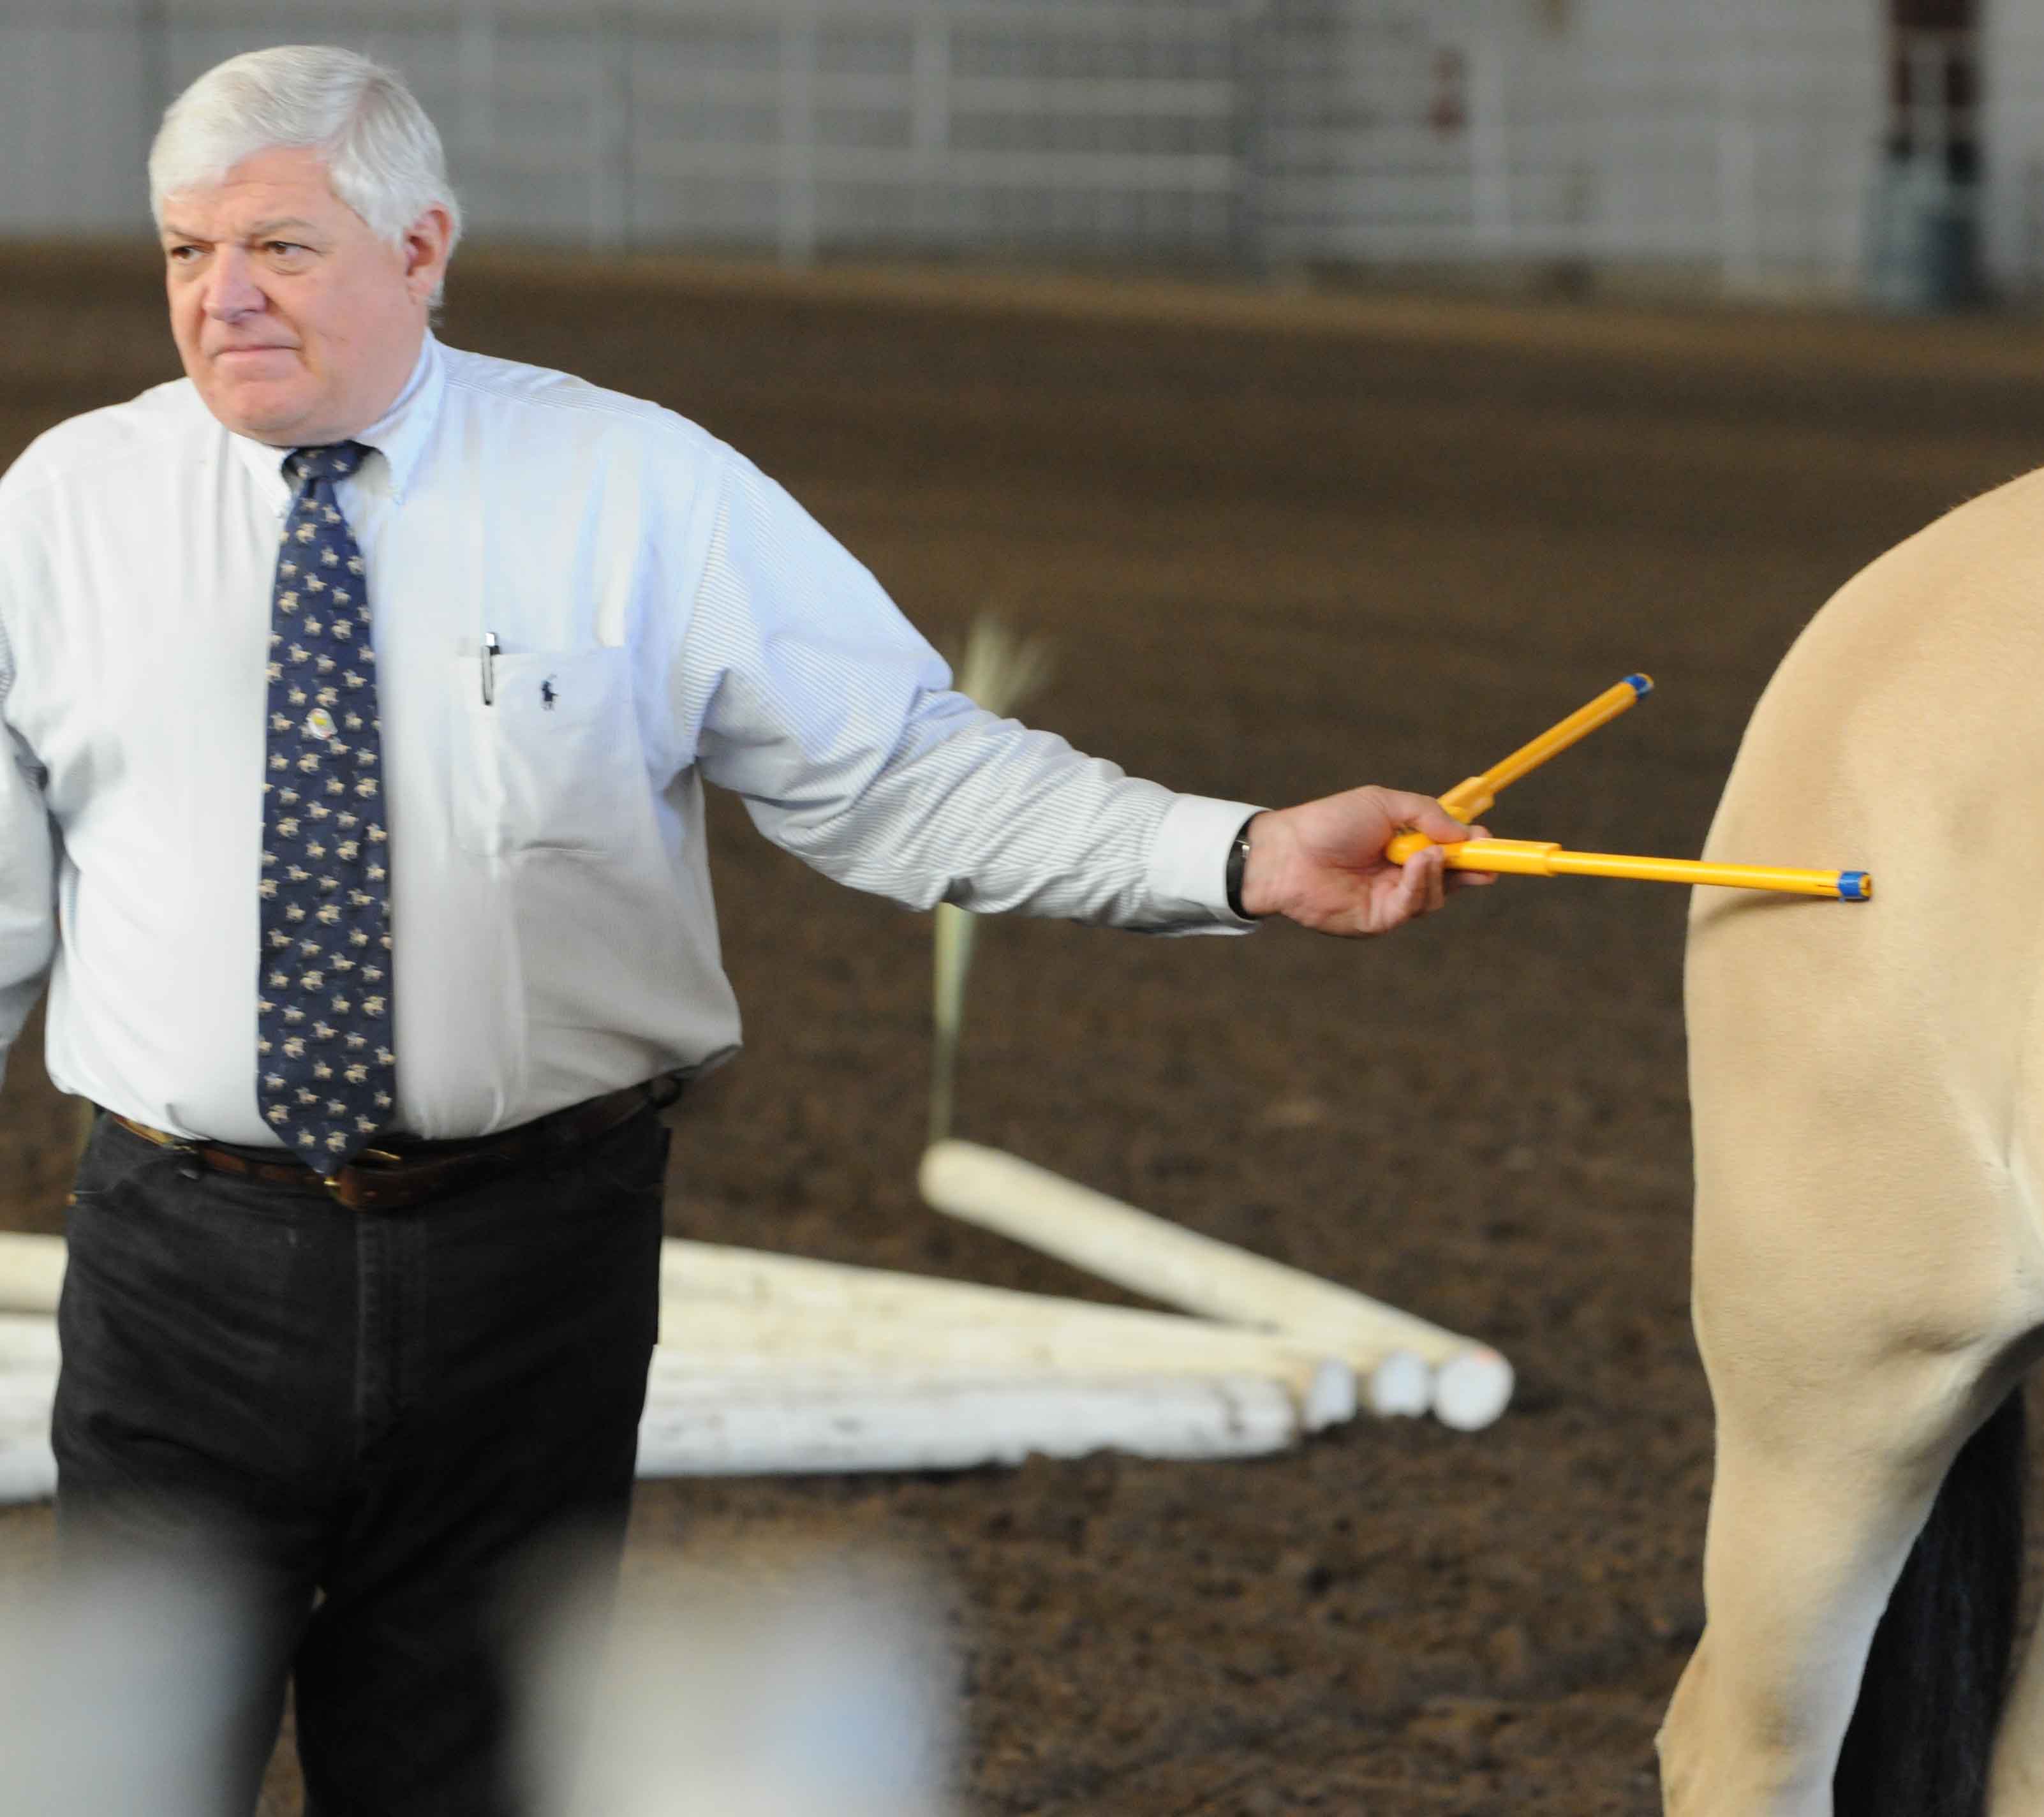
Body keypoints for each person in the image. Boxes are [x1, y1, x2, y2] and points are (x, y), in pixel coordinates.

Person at [0, 43, 1485, 1816]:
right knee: (118, 1775)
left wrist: (1238, 854)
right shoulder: (61, 515)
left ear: (422, 248)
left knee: (470, 1772)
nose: (222, 297)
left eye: (280, 248)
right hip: (183, 1270)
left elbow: (901, 771)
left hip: (527, 1275)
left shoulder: (637, 490)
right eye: (186, 252)